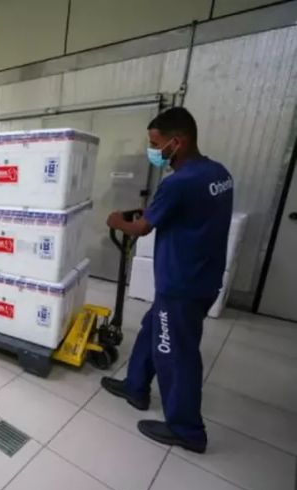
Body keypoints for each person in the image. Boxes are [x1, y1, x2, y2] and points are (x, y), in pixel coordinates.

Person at [101, 107, 233, 453]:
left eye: (156, 144)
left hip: (182, 284)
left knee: (175, 352)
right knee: (152, 329)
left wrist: (116, 221)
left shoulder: (178, 183)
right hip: (204, 276)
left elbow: (142, 228)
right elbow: (193, 213)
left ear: (178, 141)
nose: (153, 150)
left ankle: (187, 429)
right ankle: (135, 387)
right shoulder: (218, 174)